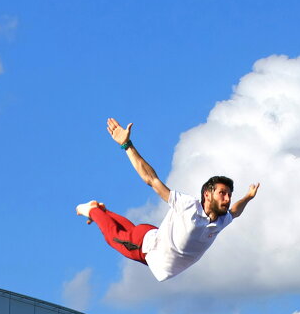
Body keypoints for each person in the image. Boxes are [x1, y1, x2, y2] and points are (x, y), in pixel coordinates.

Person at [76, 118, 258, 282]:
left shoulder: (220, 220)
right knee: (113, 237)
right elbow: (152, 180)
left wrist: (248, 197)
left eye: (229, 195)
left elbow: (235, 211)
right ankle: (90, 209)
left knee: (127, 231)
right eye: (222, 193)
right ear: (207, 195)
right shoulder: (188, 206)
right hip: (145, 247)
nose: (227, 199)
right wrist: (127, 145)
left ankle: (103, 211)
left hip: (154, 236)